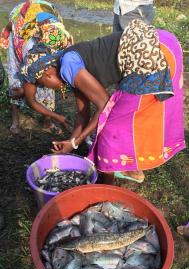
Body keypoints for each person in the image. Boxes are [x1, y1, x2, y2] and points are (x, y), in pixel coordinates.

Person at [20, 19, 185, 184]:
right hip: (164, 42)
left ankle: (107, 187)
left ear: (48, 72)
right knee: (130, 117)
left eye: (43, 84)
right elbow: (82, 115)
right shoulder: (71, 60)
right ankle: (131, 168)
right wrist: (71, 142)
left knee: (107, 128)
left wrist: (76, 142)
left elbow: (105, 105)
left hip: (150, 54)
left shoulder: (67, 66)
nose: (49, 89)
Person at [0, 0, 73, 135]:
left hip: (43, 14)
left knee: (47, 86)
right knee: (15, 75)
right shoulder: (32, 57)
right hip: (20, 26)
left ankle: (47, 122)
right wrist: (6, 32)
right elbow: (31, 99)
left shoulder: (64, 47)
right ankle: (15, 120)